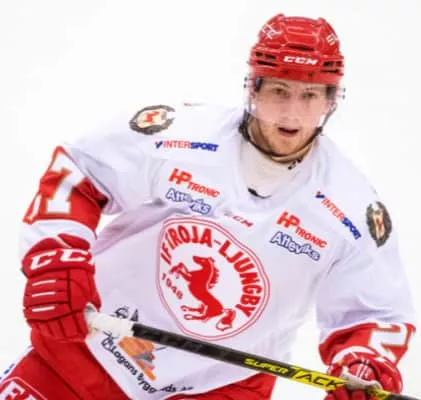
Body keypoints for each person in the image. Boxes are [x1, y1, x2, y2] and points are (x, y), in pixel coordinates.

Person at [0, 12, 416, 400]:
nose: (292, 113)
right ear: (253, 88)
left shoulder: (351, 208)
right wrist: (56, 257)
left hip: (218, 386)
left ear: (331, 100)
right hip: (89, 349)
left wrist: (365, 363)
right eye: (279, 91)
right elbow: (82, 172)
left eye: (310, 95)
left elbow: (376, 312)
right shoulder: (179, 134)